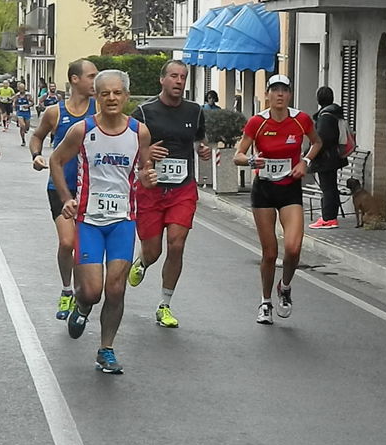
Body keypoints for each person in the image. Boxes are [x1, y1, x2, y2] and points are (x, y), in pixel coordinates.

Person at [49, 69, 155, 374]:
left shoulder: (140, 132)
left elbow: (145, 174)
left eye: (117, 92)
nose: (111, 98)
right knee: (92, 291)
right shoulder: (82, 131)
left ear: (126, 96)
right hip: (89, 221)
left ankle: (106, 349)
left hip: (123, 221)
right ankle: (82, 306)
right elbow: (56, 161)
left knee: (117, 289)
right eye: (105, 93)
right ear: (96, 96)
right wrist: (67, 197)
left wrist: (148, 178)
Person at [128, 60, 211, 328]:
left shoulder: (195, 111)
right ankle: (143, 260)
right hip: (151, 189)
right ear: (162, 80)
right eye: (174, 76)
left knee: (177, 242)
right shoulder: (143, 112)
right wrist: (146, 153)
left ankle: (165, 304)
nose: (179, 81)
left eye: (183, 77)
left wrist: (203, 149)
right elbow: (126, 146)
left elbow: (200, 139)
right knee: (153, 252)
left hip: (182, 188)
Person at [233, 74, 322, 325]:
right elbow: (237, 155)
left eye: (284, 90)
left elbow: (317, 142)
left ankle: (285, 287)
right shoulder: (257, 122)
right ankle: (265, 302)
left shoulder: (300, 119)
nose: (280, 95)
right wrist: (252, 161)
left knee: (293, 248)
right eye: (275, 90)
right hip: (264, 189)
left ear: (290, 95)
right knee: (270, 253)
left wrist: (305, 162)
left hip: (290, 189)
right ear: (269, 94)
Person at [29, 59, 98, 320]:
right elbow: (37, 136)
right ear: (74, 79)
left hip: (91, 188)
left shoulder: (99, 108)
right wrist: (36, 155)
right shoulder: (55, 112)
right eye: (91, 76)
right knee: (67, 241)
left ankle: (83, 293)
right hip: (60, 186)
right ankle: (67, 290)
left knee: (83, 245)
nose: (95, 81)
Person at [307, 86, 349, 229]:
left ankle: (328, 218)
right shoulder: (335, 113)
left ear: (319, 99)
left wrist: (309, 155)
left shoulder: (325, 117)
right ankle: (331, 216)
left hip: (326, 158)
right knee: (331, 186)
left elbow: (320, 139)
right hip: (334, 156)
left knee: (328, 188)